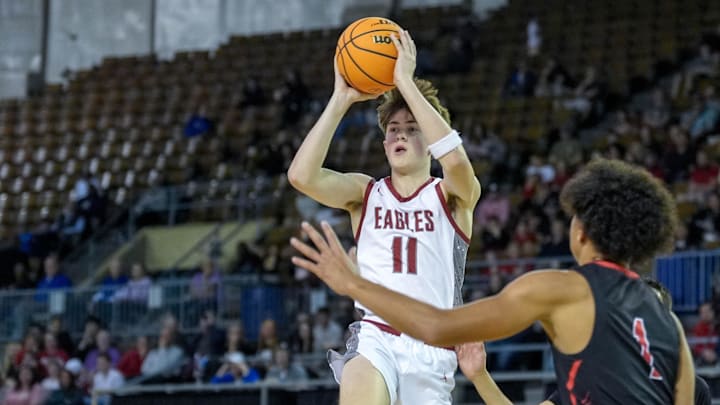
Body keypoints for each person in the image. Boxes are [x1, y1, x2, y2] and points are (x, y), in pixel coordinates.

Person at [290, 159, 694, 404]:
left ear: (582, 232)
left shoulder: (561, 288)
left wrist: (353, 284)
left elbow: (436, 327)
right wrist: (480, 376)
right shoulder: (670, 326)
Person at [287, 29, 480, 405]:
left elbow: (455, 160)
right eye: (393, 130)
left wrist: (405, 83)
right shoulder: (365, 193)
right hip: (376, 334)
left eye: (413, 129)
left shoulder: (452, 195)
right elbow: (301, 176)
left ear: (431, 142)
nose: (401, 136)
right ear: (384, 143)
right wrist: (340, 99)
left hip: (431, 344)